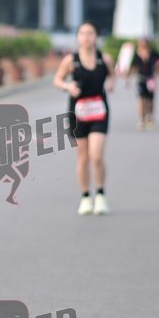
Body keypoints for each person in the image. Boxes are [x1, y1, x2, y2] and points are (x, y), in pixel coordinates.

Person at [53, 22, 114, 215]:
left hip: (99, 111)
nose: (86, 37)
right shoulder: (71, 60)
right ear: (78, 37)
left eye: (90, 33)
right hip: (78, 113)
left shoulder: (104, 59)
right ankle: (86, 196)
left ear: (96, 36)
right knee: (83, 157)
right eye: (82, 33)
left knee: (96, 155)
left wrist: (111, 84)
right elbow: (57, 80)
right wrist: (67, 87)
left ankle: (101, 194)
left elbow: (112, 76)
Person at [128, 37, 159, 129]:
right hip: (141, 79)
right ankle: (141, 119)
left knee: (150, 100)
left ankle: (149, 117)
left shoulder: (153, 53)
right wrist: (128, 79)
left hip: (151, 79)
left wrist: (158, 66)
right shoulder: (137, 54)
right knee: (141, 99)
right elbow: (133, 67)